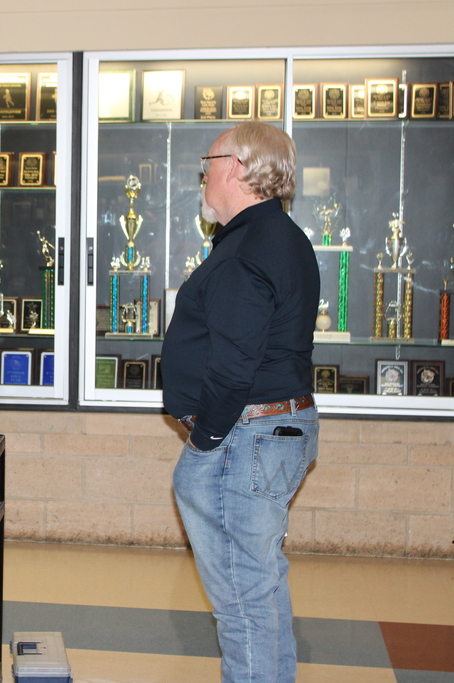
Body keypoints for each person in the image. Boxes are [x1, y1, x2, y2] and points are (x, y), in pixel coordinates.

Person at [162, 121, 320, 683]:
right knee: (260, 586)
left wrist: (205, 439)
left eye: (207, 163)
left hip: (245, 435)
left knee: (241, 600)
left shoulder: (248, 249)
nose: (202, 175)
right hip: (270, 429)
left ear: (236, 166)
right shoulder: (280, 237)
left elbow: (235, 363)